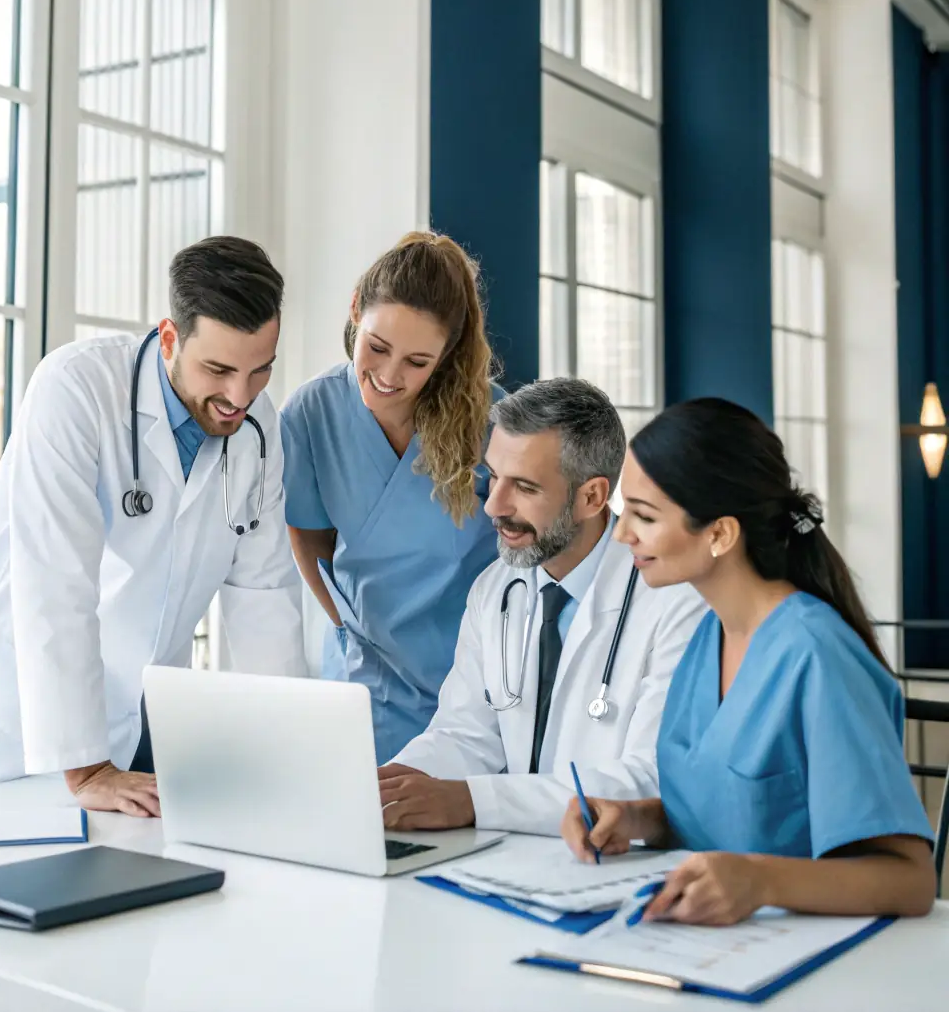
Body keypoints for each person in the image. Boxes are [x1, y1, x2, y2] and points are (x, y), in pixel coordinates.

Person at [0, 237, 306, 814]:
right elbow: (56, 584)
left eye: (260, 370)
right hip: (25, 719)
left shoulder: (259, 428)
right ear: (168, 338)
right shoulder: (76, 389)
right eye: (219, 369)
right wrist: (85, 768)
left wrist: (288, 754)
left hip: (143, 724)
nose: (240, 396)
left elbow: (263, 594)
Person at [562, 398, 936, 922]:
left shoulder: (817, 656)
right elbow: (731, 812)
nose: (621, 534)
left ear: (719, 533)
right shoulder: (704, 639)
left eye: (644, 517)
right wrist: (636, 819)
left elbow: (910, 880)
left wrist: (759, 882)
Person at [378, 379, 705, 835]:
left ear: (592, 497)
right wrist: (388, 788)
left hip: (613, 863)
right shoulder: (495, 590)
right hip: (512, 853)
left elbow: (648, 779)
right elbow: (465, 734)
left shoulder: (676, 602)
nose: (494, 506)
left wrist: (476, 801)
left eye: (525, 488)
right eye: (493, 476)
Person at [280, 232, 501, 762]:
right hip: (365, 677)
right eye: (376, 347)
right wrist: (344, 625)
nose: (388, 375)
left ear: (446, 355)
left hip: (473, 684)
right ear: (356, 309)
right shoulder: (312, 414)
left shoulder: (494, 426)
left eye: (417, 362)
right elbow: (308, 539)